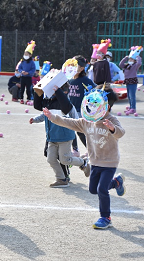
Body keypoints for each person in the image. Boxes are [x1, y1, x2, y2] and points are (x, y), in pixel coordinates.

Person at [42, 84, 126, 229]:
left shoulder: (111, 120)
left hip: (110, 162)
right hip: (95, 161)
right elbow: (69, 122)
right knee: (94, 189)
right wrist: (52, 117)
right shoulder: (87, 122)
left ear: (106, 106)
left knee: (101, 190)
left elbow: (121, 133)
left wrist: (113, 129)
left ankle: (105, 217)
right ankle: (116, 183)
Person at [31, 83, 90, 188]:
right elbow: (42, 112)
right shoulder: (49, 102)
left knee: (65, 159)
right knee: (51, 159)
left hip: (65, 138)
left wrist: (58, 91)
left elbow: (74, 117)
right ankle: (61, 179)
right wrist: (38, 91)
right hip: (52, 137)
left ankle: (83, 163)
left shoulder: (66, 105)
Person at [68, 55, 96, 157]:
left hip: (80, 111)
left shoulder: (85, 80)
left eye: (76, 65)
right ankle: (75, 150)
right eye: (72, 64)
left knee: (81, 132)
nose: (73, 67)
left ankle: (91, 151)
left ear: (82, 68)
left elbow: (95, 91)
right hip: (70, 110)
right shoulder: (69, 79)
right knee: (70, 130)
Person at [119, 46, 142, 115]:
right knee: (129, 95)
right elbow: (120, 64)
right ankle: (131, 107)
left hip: (133, 81)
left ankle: (133, 108)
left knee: (132, 95)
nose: (130, 61)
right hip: (127, 81)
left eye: (132, 60)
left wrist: (138, 57)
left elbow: (139, 63)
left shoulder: (135, 66)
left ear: (134, 61)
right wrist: (126, 58)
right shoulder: (126, 65)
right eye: (130, 59)